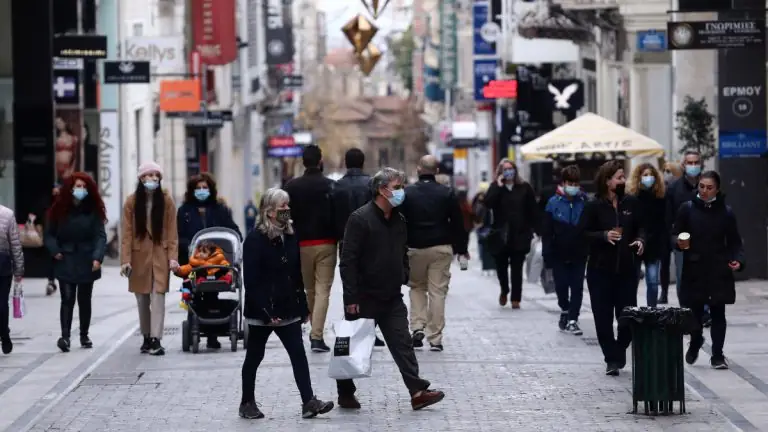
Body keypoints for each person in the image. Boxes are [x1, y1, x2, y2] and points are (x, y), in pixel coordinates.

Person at [337, 167, 445, 411]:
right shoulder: (360, 219)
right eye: (397, 187)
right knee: (354, 346)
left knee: (403, 343)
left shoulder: (399, 219)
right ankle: (345, 391)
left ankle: (417, 391)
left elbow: (402, 251)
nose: (401, 192)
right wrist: (351, 297)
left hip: (391, 297)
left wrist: (403, 273)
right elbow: (348, 261)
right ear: (381, 190)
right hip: (364, 297)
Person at [239, 188, 335, 420]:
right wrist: (266, 310)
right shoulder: (255, 239)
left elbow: (295, 274)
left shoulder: (290, 235)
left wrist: (303, 306)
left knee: (298, 354)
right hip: (263, 310)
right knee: (254, 356)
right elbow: (250, 280)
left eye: (287, 206)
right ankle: (247, 402)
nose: (286, 211)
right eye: (282, 207)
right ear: (269, 212)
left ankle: (308, 401)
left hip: (288, 307)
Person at [579, 161, 645, 376]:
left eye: (623, 177)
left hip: (626, 270)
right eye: (619, 177)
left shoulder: (632, 203)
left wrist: (641, 241)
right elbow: (582, 234)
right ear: (607, 181)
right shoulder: (593, 205)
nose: (623, 181)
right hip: (600, 271)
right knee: (603, 318)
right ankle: (611, 359)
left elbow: (641, 227)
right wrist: (603, 235)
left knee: (627, 317)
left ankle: (620, 347)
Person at [675, 171, 743, 369]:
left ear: (717, 189)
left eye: (709, 187)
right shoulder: (687, 209)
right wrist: (679, 243)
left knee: (718, 313)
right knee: (693, 315)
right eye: (702, 186)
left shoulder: (726, 212)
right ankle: (696, 340)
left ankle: (717, 355)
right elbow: (674, 234)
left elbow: (735, 243)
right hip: (694, 270)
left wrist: (738, 260)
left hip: (718, 269)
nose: (704, 191)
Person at [400, 155, 468, 352]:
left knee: (417, 288)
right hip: (441, 247)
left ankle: (417, 326)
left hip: (414, 248)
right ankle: (435, 337)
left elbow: (400, 222)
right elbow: (457, 223)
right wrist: (461, 250)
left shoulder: (408, 193)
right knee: (437, 292)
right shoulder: (446, 193)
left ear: (419, 170)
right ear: (437, 171)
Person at [120, 162, 179, 356]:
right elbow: (127, 233)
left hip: (160, 255)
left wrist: (173, 258)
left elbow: (172, 232)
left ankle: (156, 339)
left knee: (159, 295)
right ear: (141, 178)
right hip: (139, 257)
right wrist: (125, 260)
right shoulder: (131, 202)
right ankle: (146, 336)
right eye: (149, 175)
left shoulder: (166, 200)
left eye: (156, 175)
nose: (153, 179)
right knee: (142, 298)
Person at [177, 172, 241, 349]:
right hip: (193, 262)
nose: (201, 191)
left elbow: (233, 230)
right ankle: (196, 326)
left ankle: (213, 333)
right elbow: (178, 236)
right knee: (194, 295)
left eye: (205, 188)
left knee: (213, 291)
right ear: (192, 190)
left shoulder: (220, 209)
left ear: (210, 189)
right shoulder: (184, 212)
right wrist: (190, 246)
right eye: (198, 188)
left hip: (216, 264)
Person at [44, 173, 107, 352]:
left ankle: (84, 334)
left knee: (84, 299)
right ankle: (65, 336)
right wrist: (55, 250)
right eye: (77, 186)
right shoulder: (58, 209)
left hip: (87, 259)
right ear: (70, 188)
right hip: (66, 257)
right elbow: (49, 234)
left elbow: (100, 236)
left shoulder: (93, 211)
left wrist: (97, 257)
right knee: (67, 297)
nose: (80, 190)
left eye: (84, 187)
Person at [284, 145, 337, 353]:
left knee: (310, 290)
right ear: (320, 161)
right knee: (323, 289)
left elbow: (284, 216)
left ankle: (314, 331)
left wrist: (288, 234)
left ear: (303, 162)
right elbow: (338, 215)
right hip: (327, 243)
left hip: (301, 244)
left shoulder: (291, 187)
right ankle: (316, 336)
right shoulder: (331, 186)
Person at [331, 148, 385, 347]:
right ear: (363, 162)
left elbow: (332, 216)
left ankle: (353, 326)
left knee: (349, 283)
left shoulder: (336, 187)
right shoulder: (372, 185)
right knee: (370, 285)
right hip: (371, 241)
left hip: (345, 241)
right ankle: (370, 329)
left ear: (346, 163)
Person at [483, 159, 539, 308]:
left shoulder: (524, 187)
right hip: (500, 235)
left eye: (511, 168)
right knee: (501, 267)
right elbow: (487, 203)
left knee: (517, 268)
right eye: (505, 169)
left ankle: (516, 298)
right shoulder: (495, 187)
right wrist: (498, 186)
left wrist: (536, 229)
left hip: (520, 234)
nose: (508, 172)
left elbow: (533, 210)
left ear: (515, 170)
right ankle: (504, 290)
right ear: (500, 172)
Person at [541, 165, 587, 335]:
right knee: (561, 286)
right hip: (558, 253)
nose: (573, 187)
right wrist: (547, 253)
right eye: (570, 183)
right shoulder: (553, 203)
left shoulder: (583, 202)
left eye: (575, 183)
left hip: (579, 253)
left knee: (577, 287)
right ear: (563, 183)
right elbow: (546, 231)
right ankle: (565, 309)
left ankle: (573, 319)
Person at [666, 151, 710, 325]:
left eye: (696, 162)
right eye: (689, 162)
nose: (693, 166)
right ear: (683, 165)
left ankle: (704, 312)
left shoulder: (708, 185)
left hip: (705, 239)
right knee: (682, 277)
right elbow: (668, 217)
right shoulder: (674, 188)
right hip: (682, 240)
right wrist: (672, 239)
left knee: (706, 275)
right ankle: (686, 311)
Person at [627, 163, 667, 307]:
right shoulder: (632, 197)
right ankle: (632, 312)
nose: (648, 178)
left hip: (654, 245)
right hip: (636, 243)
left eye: (651, 175)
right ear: (638, 177)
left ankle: (652, 312)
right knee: (632, 282)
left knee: (653, 282)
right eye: (645, 175)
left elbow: (664, 221)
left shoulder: (660, 197)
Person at [0, 204, 24, 355]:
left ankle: (4, 333)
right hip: (3, 263)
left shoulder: (7, 214)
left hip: (2, 265)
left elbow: (15, 243)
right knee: (1, 304)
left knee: (2, 304)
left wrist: (18, 268)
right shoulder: (8, 214)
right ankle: (4, 333)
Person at [658, 163, 683, 304]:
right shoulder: (661, 188)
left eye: (669, 171)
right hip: (664, 230)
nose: (667, 174)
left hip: (676, 229)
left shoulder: (678, 188)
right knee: (664, 264)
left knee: (680, 264)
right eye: (665, 171)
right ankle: (664, 293)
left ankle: (680, 294)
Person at [46, 182, 61, 296]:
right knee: (52, 259)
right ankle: (51, 282)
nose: (56, 191)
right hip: (51, 235)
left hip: (63, 236)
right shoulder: (48, 203)